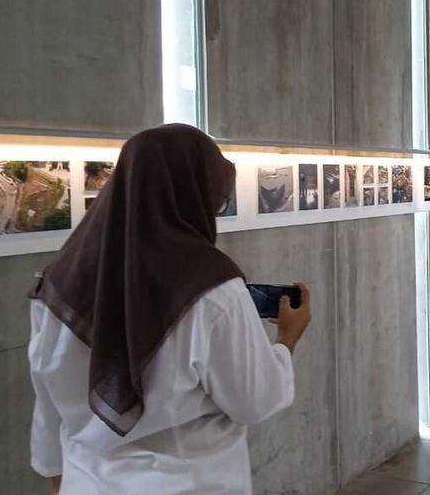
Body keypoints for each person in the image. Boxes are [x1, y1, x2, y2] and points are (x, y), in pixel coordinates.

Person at [27, 124, 312, 494]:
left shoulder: (58, 284)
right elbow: (254, 401)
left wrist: (59, 479)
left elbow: (48, 406)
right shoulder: (213, 288)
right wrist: (287, 341)